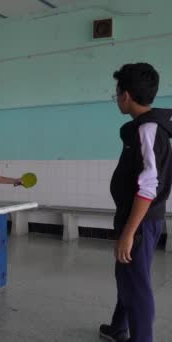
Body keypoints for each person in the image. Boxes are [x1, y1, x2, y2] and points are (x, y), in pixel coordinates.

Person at [99, 63, 171, 342]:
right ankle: (118, 328)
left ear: (126, 95)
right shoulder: (145, 127)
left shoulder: (149, 129)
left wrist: (129, 233)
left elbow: (150, 185)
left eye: (117, 93)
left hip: (139, 221)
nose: (117, 99)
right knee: (127, 276)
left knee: (136, 285)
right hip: (140, 218)